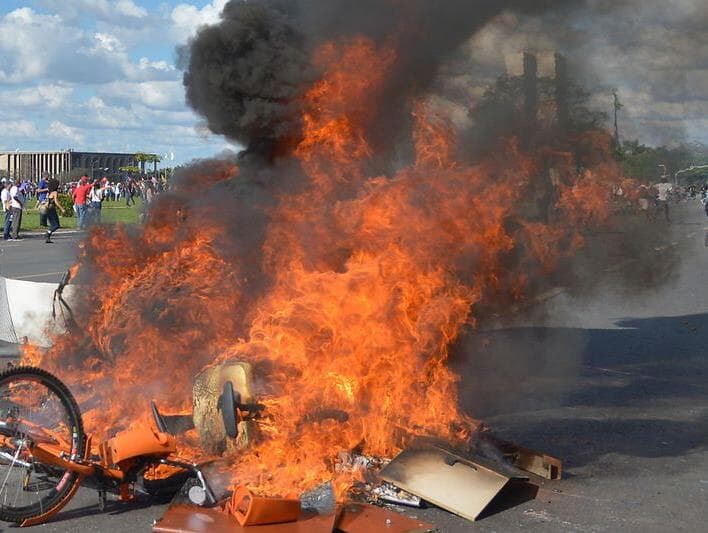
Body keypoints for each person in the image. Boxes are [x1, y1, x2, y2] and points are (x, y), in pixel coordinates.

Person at [44, 177, 65, 243]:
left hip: (49, 209)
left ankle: (48, 236)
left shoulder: (49, 193)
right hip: (52, 209)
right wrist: (62, 209)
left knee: (53, 224)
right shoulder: (55, 192)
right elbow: (56, 202)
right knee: (56, 225)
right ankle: (48, 233)